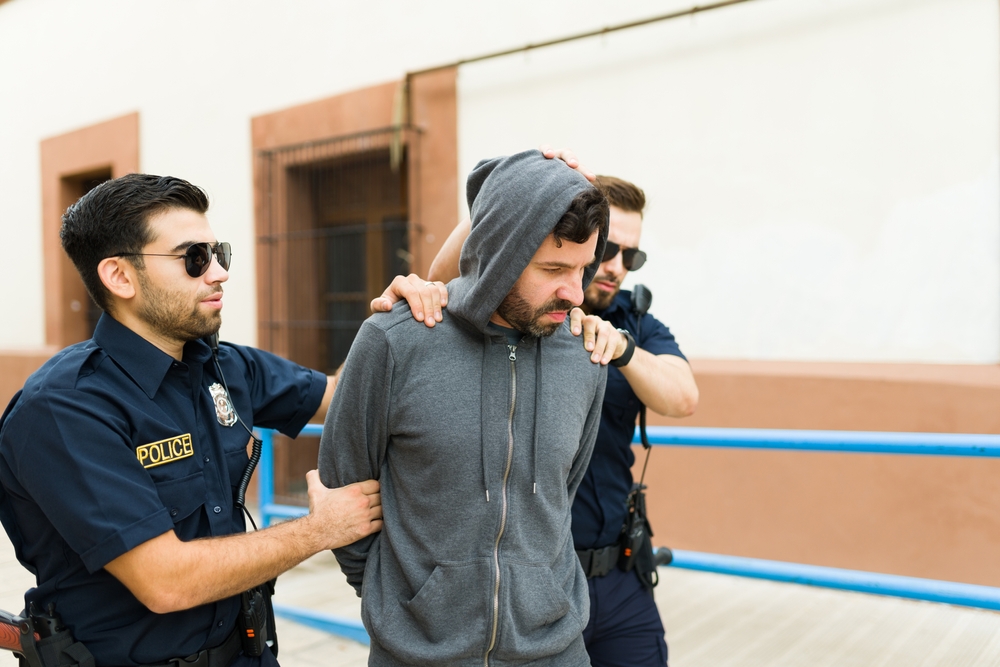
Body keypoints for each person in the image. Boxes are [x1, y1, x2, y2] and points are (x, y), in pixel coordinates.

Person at [0, 173, 444, 667]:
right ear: (119, 277)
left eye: (219, 254)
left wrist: (395, 315)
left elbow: (343, 396)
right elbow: (166, 580)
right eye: (194, 259)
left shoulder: (224, 366)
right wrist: (321, 528)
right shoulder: (65, 408)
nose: (219, 273)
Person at [318, 149, 610, 666]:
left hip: (555, 650)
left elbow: (562, 493)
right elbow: (344, 484)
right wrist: (404, 603)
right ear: (499, 254)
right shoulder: (394, 341)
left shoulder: (586, 356)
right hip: (415, 653)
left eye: (583, 268)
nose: (574, 292)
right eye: (554, 268)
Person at [428, 170, 698, 667]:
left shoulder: (635, 321)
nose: (616, 267)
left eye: (631, 257)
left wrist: (622, 349)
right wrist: (511, 182)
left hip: (618, 574)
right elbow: (441, 281)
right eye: (608, 249)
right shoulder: (523, 311)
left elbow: (682, 397)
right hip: (535, 576)